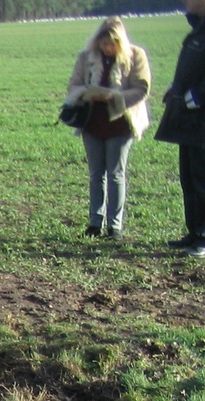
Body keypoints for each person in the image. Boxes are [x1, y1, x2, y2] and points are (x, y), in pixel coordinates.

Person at [65, 17, 151, 240]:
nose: (108, 48)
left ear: (120, 42)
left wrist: (115, 96)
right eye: (104, 44)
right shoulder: (86, 58)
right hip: (92, 123)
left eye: (112, 44)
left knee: (115, 173)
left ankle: (115, 226)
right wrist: (86, 92)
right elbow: (73, 85)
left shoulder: (135, 55)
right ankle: (95, 223)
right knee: (96, 174)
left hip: (121, 122)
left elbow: (142, 88)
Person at [156, 0, 205, 257]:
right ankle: (194, 232)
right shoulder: (197, 31)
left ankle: (203, 237)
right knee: (189, 178)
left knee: (202, 180)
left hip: (201, 119)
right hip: (189, 122)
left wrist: (195, 97)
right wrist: (175, 90)